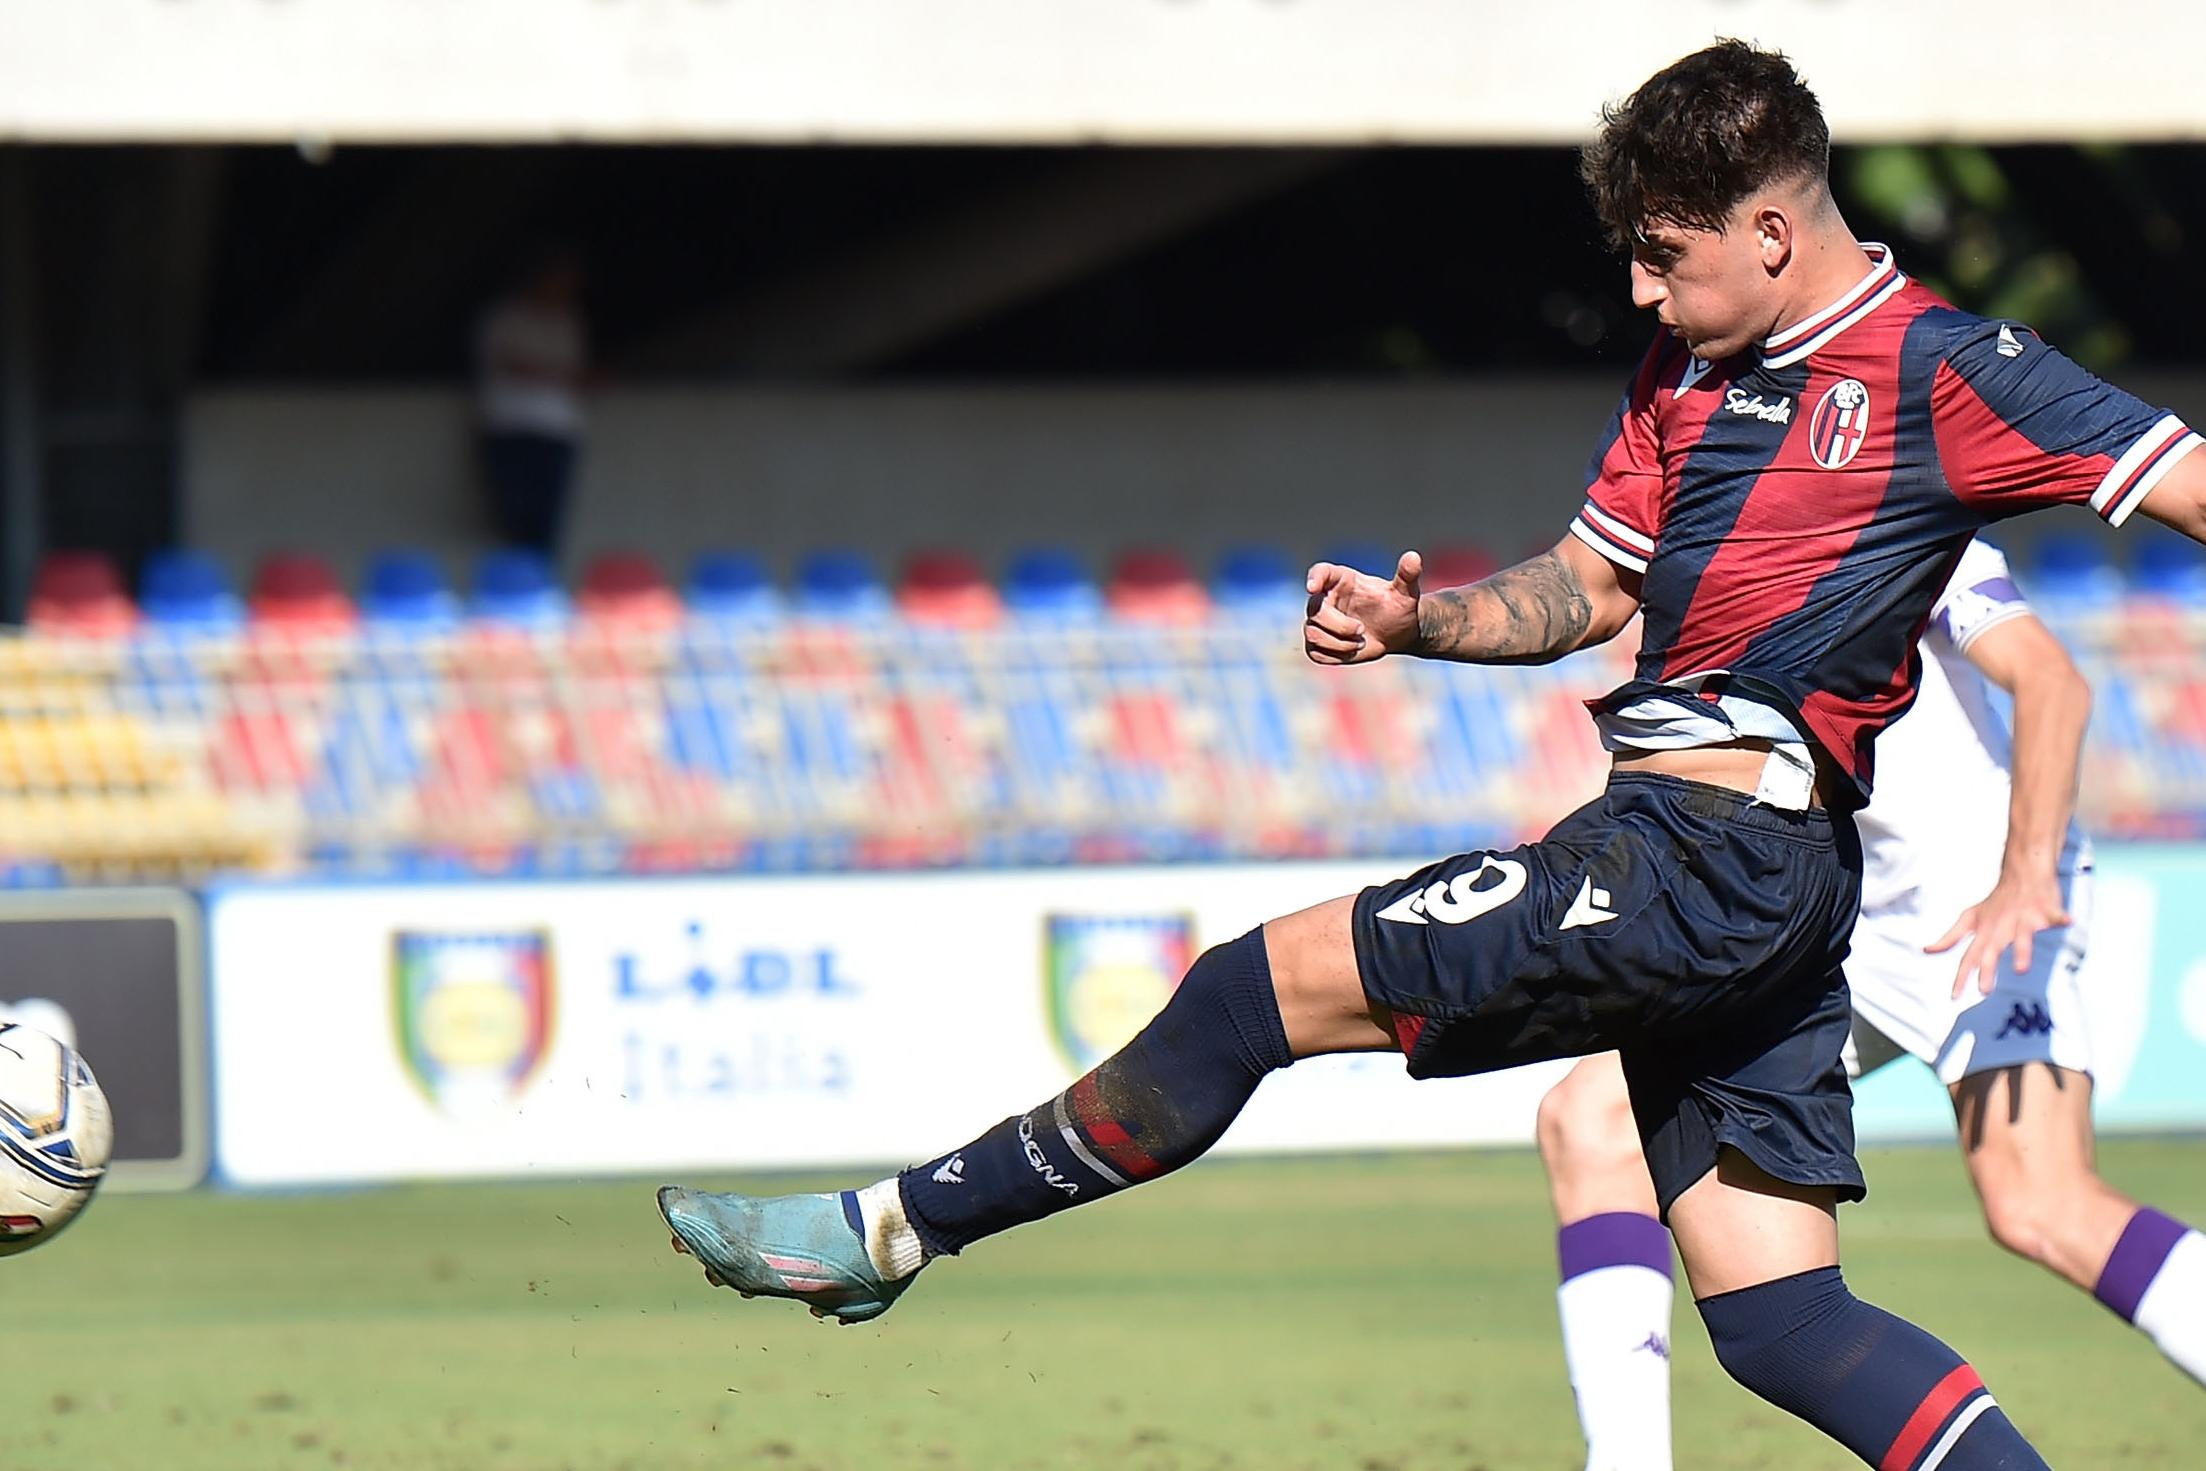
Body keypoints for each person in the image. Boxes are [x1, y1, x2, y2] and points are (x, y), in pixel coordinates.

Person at [654, 42, 2206, 1468]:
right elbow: (1583, 587)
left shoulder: (1950, 367)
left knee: (1244, 989)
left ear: (1771, 234)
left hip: (1701, 862)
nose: (1646, 298)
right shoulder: (1680, 382)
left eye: (1664, 258)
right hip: (1764, 886)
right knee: (1781, 1320)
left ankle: (889, 1226)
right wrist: (1423, 623)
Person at [1536, 542, 2206, 1471]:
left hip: (1982, 900)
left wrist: (2023, 872)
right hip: (1833, 912)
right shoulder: (1714, 535)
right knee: (1591, 1121)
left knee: (2040, 1201)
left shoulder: (1914, 523)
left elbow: (2055, 684)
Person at [473, 248, 589, 556]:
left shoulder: (567, 321)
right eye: (556, 279)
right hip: (510, 426)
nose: (562, 288)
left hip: (558, 430)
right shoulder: (505, 316)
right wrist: (554, 373)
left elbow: (574, 372)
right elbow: (511, 363)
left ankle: (539, 586)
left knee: (547, 519)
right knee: (511, 514)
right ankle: (512, 584)